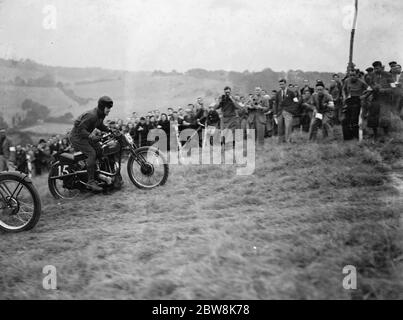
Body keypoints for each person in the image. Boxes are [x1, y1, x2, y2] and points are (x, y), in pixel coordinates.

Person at [69, 96, 114, 192]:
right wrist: (91, 137)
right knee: (91, 153)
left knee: (99, 149)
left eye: (110, 108)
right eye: (108, 108)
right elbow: (80, 130)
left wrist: (109, 130)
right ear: (102, 107)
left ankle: (98, 174)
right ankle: (90, 181)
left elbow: (99, 124)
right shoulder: (92, 115)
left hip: (85, 136)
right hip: (77, 137)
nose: (109, 110)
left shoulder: (100, 115)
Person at [366, 61, 395, 139]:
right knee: (373, 116)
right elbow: (370, 85)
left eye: (377, 68)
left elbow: (393, 88)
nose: (376, 70)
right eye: (375, 68)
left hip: (385, 99)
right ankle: (375, 134)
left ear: (381, 67)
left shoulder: (388, 75)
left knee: (385, 117)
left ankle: (386, 134)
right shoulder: (372, 75)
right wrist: (373, 87)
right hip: (375, 98)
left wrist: (383, 90)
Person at [342, 69, 369, 140]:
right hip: (349, 100)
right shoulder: (346, 81)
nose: (352, 77)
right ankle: (347, 138)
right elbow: (343, 89)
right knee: (345, 120)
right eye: (350, 75)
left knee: (355, 120)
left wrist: (364, 96)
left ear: (357, 75)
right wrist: (345, 96)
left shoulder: (361, 82)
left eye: (354, 75)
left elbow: (369, 90)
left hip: (358, 101)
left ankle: (356, 137)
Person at [274, 79, 299, 143]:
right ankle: (281, 141)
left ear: (285, 84)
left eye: (282, 84)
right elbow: (276, 104)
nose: (281, 85)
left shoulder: (291, 93)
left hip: (288, 112)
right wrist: (275, 113)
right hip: (279, 112)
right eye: (280, 84)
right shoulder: (278, 93)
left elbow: (296, 102)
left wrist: (291, 110)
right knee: (280, 127)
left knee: (288, 127)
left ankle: (288, 141)